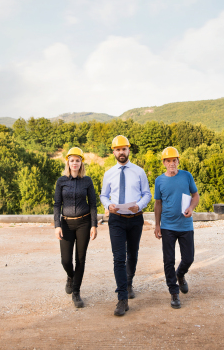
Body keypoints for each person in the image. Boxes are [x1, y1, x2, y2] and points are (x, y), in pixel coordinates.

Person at [100, 135, 152, 316]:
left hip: (135, 218)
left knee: (133, 253)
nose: (121, 152)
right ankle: (122, 299)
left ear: (129, 150)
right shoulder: (109, 173)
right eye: (117, 149)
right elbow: (103, 195)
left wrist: (140, 205)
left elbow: (147, 194)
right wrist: (108, 205)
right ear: (113, 152)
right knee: (118, 257)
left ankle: (129, 282)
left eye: (124, 149)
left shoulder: (139, 171)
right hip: (116, 220)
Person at [154, 147, 200, 309]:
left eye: (174, 160)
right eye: (168, 161)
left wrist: (192, 208)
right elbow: (158, 203)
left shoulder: (187, 176)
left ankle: (180, 275)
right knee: (168, 260)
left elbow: (195, 196)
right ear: (164, 163)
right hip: (167, 226)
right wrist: (157, 225)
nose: (172, 163)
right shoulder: (159, 180)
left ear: (178, 161)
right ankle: (174, 292)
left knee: (189, 258)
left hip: (185, 225)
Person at [53, 147, 98, 308]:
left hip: (84, 223)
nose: (74, 163)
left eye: (77, 160)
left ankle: (77, 292)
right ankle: (71, 276)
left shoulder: (87, 181)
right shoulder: (61, 181)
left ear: (81, 163)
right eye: (72, 160)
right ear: (68, 162)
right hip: (65, 224)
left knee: (80, 259)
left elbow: (93, 204)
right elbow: (57, 204)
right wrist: (57, 225)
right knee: (66, 260)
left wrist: (94, 224)